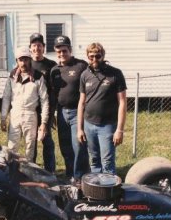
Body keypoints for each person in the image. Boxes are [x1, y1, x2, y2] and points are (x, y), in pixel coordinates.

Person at [77, 42, 127, 175]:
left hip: (107, 126)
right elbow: (81, 102)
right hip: (89, 124)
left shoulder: (115, 74)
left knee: (107, 162)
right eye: (91, 56)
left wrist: (119, 130)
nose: (94, 60)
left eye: (97, 56)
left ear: (103, 56)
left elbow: (122, 102)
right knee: (94, 160)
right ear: (87, 56)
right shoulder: (84, 75)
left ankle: (108, 191)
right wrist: (80, 129)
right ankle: (96, 189)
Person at [50, 35, 89, 184]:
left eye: (64, 51)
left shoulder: (81, 66)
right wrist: (53, 113)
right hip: (61, 112)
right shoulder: (54, 70)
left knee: (78, 145)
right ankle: (70, 173)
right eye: (58, 51)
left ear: (70, 50)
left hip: (77, 113)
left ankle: (80, 177)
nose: (62, 54)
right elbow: (53, 93)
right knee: (65, 146)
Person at [1, 46, 49, 161]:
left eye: (26, 59)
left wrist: (43, 122)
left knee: (30, 147)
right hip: (15, 114)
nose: (23, 63)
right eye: (21, 60)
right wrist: (3, 118)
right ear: (17, 60)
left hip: (30, 115)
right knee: (12, 146)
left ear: (30, 60)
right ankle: (12, 171)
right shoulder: (12, 76)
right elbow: (6, 97)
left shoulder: (38, 76)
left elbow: (44, 100)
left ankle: (29, 173)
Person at [29, 33, 57, 172]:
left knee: (47, 142)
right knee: (31, 142)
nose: (37, 48)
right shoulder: (26, 64)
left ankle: (50, 171)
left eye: (39, 45)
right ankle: (32, 169)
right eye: (34, 45)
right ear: (30, 48)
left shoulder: (51, 65)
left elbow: (53, 92)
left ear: (44, 47)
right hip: (30, 111)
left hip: (45, 110)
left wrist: (51, 114)